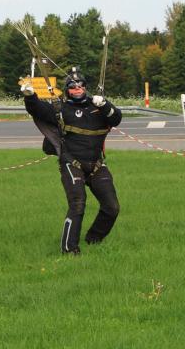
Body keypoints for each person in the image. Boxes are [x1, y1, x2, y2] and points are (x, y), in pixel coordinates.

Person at [22, 67, 122, 255]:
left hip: (97, 165)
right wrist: (30, 96)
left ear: (85, 87)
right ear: (67, 90)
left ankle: (93, 239)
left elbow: (116, 119)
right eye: (72, 87)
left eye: (80, 86)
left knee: (112, 207)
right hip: (71, 163)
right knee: (77, 204)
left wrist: (105, 105)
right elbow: (38, 109)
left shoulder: (97, 107)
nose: (77, 89)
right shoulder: (61, 109)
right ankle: (69, 250)